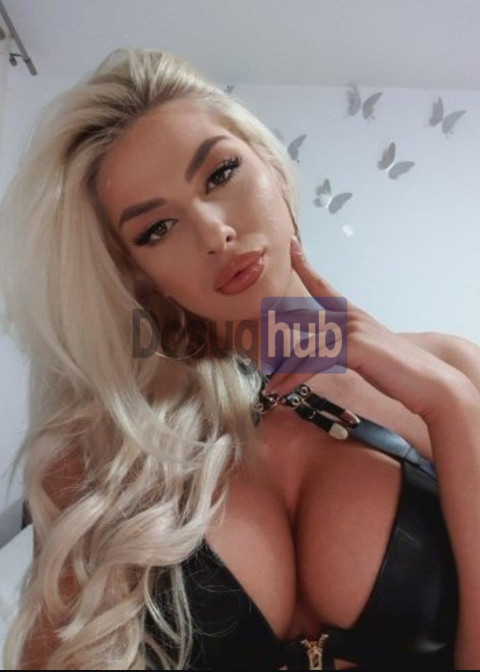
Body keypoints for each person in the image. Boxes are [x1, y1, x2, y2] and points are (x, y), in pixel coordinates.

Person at [0, 47, 479, 671]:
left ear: (273, 169)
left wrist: (453, 407)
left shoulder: (452, 372)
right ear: (140, 276)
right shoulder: (103, 451)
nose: (213, 233)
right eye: (156, 229)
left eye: (220, 173)